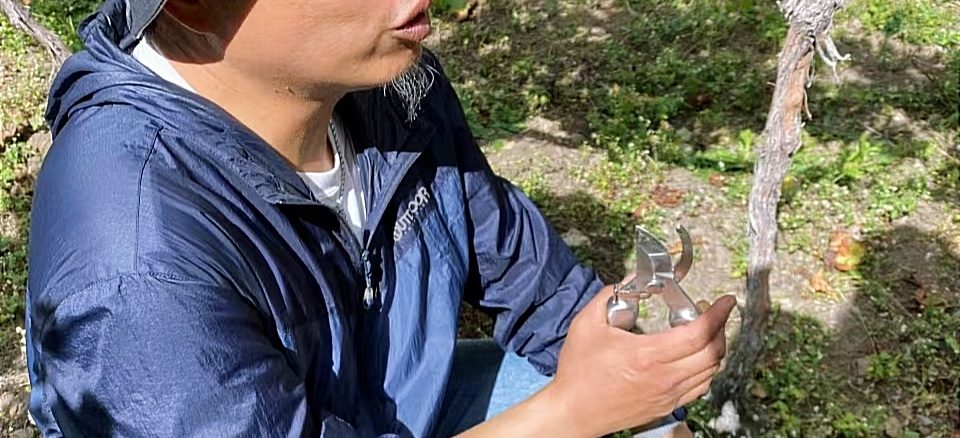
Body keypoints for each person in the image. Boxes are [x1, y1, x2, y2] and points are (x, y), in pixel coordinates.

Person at [24, 0, 736, 436]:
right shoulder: (136, 261)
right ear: (191, 4)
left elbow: (530, 279)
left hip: (391, 397)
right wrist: (572, 413)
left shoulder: (396, 88)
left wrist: (647, 397)